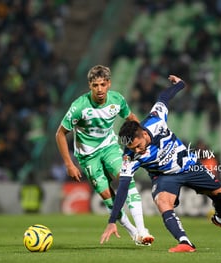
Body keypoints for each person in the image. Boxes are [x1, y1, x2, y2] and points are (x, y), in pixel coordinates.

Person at [100, 75, 221, 253]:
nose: (136, 151)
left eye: (137, 146)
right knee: (162, 202)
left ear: (143, 134)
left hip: (189, 166)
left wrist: (180, 84)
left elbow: (164, 98)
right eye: (131, 148)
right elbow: (122, 188)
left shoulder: (156, 120)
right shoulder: (130, 157)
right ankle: (185, 243)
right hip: (164, 176)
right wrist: (112, 221)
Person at [55, 65, 154, 246]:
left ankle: (142, 230)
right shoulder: (79, 107)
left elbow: (131, 118)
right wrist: (69, 164)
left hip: (109, 147)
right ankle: (133, 232)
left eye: (102, 84)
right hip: (87, 157)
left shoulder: (117, 100)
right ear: (90, 86)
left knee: (126, 179)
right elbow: (60, 134)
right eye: (95, 85)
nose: (99, 89)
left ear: (109, 83)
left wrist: (142, 139)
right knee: (109, 198)